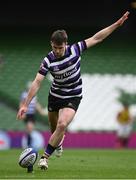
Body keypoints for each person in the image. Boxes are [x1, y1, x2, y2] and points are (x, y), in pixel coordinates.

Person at [17, 11, 129, 171]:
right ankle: (58, 142)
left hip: (73, 95)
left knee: (62, 124)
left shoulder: (76, 49)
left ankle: (44, 158)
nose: (57, 51)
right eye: (54, 47)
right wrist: (25, 105)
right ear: (51, 44)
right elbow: (37, 82)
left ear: (66, 44)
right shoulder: (48, 60)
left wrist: (117, 24)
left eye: (60, 48)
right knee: (54, 127)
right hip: (55, 95)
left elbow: (97, 37)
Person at [19, 81, 47, 172]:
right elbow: (22, 103)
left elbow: (36, 104)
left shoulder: (34, 95)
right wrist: (21, 112)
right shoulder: (24, 94)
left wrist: (41, 111)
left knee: (29, 130)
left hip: (32, 115)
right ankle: (29, 146)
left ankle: (28, 145)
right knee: (30, 128)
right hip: (27, 114)